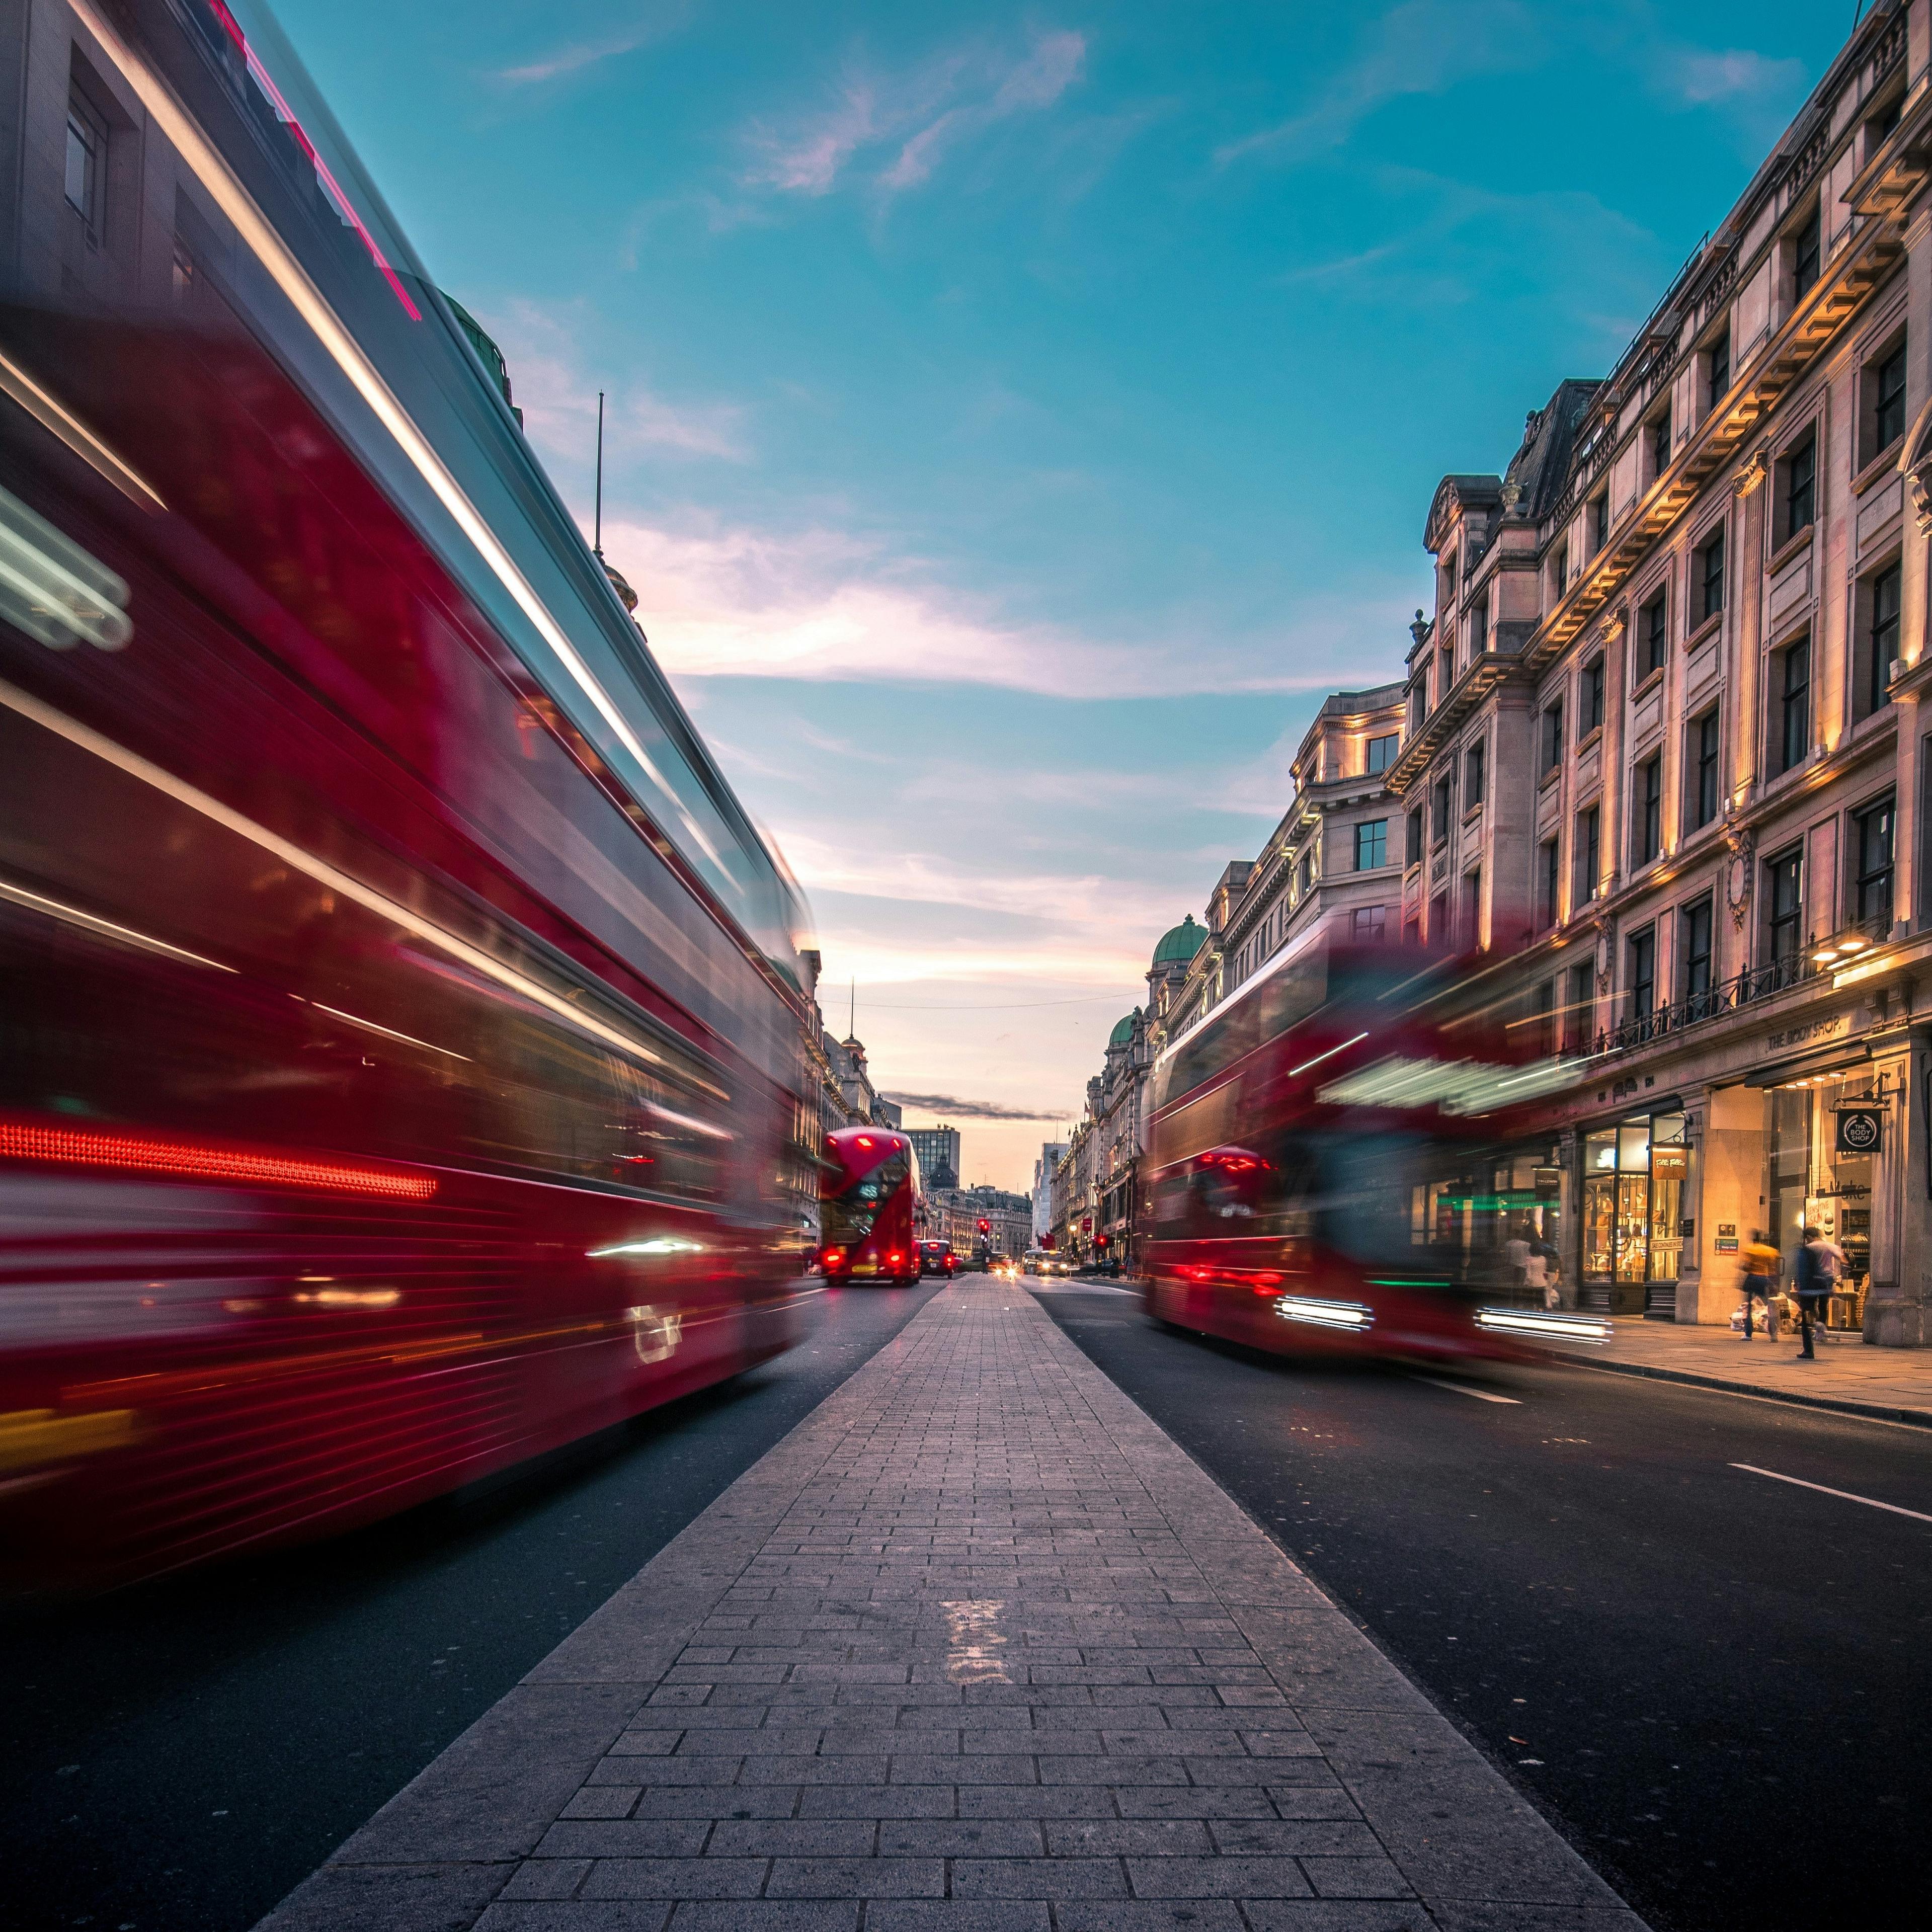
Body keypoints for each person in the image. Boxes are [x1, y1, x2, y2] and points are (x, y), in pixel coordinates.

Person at [1793, 1226, 1838, 1360]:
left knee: (1806, 1317)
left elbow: (1802, 1270)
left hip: (1808, 1287)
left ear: (1808, 1237)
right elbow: (1844, 1258)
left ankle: (1808, 1350)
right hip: (1824, 1282)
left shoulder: (1807, 1250)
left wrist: (1798, 1284)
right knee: (1823, 1307)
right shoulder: (1828, 1246)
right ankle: (1820, 1326)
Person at [1738, 1231, 1780, 1339]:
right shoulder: (1770, 1251)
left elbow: (1746, 1266)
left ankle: (1748, 1334)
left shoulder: (1750, 1250)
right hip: (1765, 1279)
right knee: (1770, 1307)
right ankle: (1773, 1334)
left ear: (1753, 1239)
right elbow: (1773, 1269)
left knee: (1749, 1307)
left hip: (1752, 1278)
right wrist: (1774, 1283)